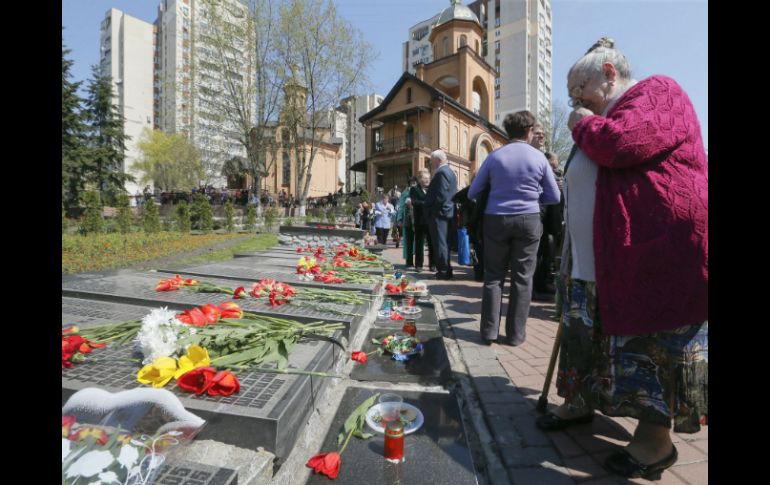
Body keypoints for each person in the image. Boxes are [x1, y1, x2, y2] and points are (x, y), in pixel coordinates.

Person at [534, 38, 708, 481]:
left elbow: (622, 144)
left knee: (653, 348)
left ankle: (654, 443)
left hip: (656, 254)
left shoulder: (658, 91)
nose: (574, 100)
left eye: (581, 88)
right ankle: (579, 400)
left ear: (609, 73)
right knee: (585, 337)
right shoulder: (598, 117)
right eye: (571, 93)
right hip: (592, 261)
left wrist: (580, 123)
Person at [468, 111, 560, 346]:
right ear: (529, 131)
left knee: (493, 278)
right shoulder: (539, 158)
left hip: (495, 219)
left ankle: (488, 332)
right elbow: (554, 196)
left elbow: (472, 192)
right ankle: (515, 335)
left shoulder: (494, 156)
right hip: (528, 220)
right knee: (522, 278)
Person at [533, 151, 565, 299]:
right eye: (556, 159)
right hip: (543, 221)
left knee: (544, 256)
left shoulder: (549, 174)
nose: (557, 162)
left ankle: (540, 285)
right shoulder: (546, 174)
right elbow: (552, 200)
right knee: (540, 256)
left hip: (545, 222)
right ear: (550, 161)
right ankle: (536, 289)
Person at [424, 150, 457, 280]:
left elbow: (441, 196)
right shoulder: (450, 172)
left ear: (438, 160)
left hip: (439, 214)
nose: (430, 163)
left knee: (440, 243)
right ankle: (446, 269)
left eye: (431, 160)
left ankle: (443, 271)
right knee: (444, 243)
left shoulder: (442, 173)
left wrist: (432, 211)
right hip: (447, 212)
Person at [409, 170, 435, 273]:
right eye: (424, 178)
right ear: (419, 179)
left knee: (432, 243)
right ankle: (419, 265)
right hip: (420, 220)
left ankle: (432, 265)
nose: (427, 180)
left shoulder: (432, 190)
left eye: (428, 178)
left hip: (430, 220)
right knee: (419, 244)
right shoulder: (414, 189)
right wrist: (427, 203)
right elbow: (414, 202)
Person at [398, 177, 418, 267]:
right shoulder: (405, 194)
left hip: (418, 220)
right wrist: (399, 218)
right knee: (408, 241)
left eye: (415, 183)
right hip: (408, 220)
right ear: (409, 184)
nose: (413, 184)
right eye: (412, 183)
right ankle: (409, 261)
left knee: (417, 242)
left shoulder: (419, 193)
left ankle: (418, 262)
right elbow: (401, 207)